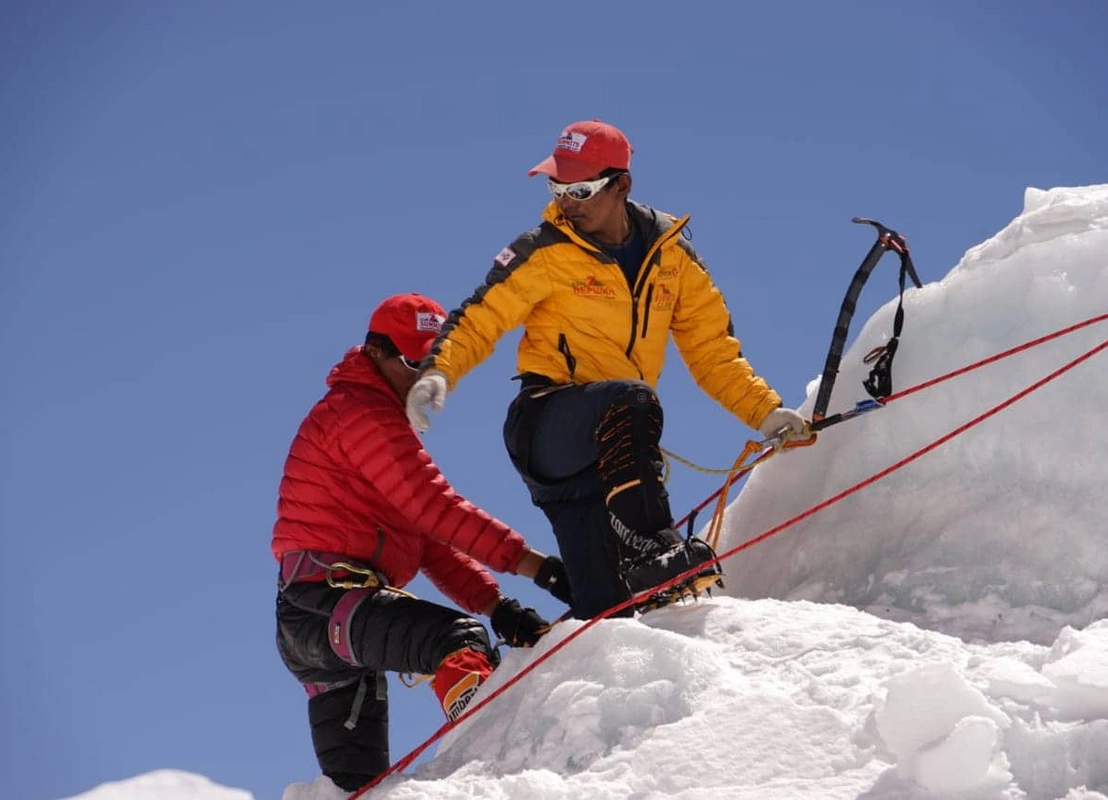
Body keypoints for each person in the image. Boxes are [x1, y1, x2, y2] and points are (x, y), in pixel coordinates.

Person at [403, 120, 813, 620]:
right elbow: (480, 318)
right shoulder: (544, 250)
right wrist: (438, 372)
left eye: (579, 189)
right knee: (631, 399)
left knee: (610, 614)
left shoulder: (671, 256)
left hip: (614, 460)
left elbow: (712, 351)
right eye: (557, 186)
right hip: (549, 426)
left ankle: (630, 587)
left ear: (621, 185)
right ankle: (651, 544)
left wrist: (768, 415)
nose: (566, 201)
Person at [272, 292, 571, 793]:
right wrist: (541, 568)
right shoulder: (361, 413)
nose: (422, 377)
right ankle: (489, 762)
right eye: (412, 362)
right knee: (458, 642)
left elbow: (428, 540)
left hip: (315, 618)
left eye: (433, 363)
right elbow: (436, 507)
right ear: (376, 353)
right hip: (327, 603)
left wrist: (499, 607)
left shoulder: (366, 416)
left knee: (360, 787)